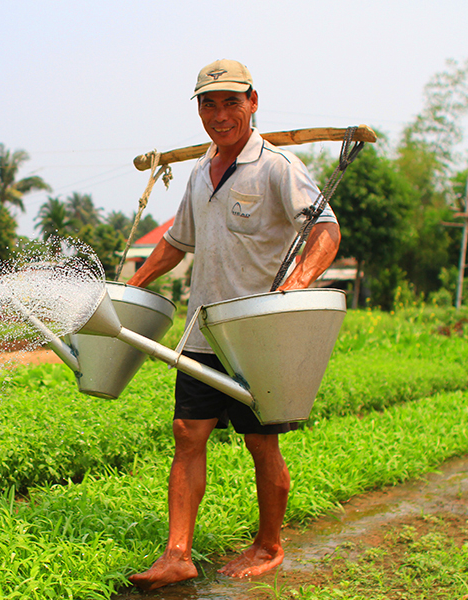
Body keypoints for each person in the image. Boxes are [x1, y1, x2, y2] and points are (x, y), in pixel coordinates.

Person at [126, 59, 341, 591]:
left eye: (230, 102)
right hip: (204, 331)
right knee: (186, 434)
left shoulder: (276, 167)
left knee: (261, 444)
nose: (219, 114)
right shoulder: (201, 171)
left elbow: (326, 230)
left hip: (256, 334)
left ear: (253, 102)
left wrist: (296, 286)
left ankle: (269, 545)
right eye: (208, 103)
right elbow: (178, 240)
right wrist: (132, 285)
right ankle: (177, 554)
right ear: (198, 108)